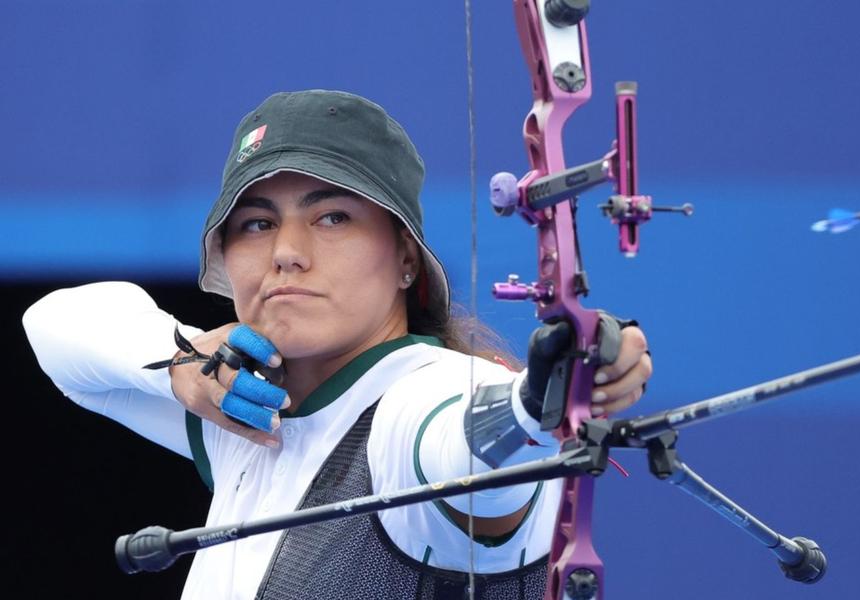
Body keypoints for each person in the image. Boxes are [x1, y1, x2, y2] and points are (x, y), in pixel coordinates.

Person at [23, 90, 652, 599]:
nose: (287, 253)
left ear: (406, 259)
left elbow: (470, 447)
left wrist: (540, 400)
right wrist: (179, 364)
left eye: (332, 218)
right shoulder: (248, 415)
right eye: (257, 223)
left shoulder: (423, 400)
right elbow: (52, 328)